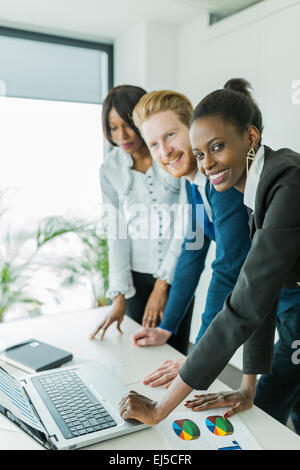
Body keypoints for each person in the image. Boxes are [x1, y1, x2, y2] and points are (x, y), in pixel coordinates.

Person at [119, 78, 300, 431]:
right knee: (273, 400)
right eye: (201, 153)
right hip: (287, 300)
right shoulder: (253, 190)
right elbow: (257, 291)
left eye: (217, 147)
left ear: (249, 138)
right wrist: (246, 386)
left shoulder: (284, 184)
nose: (206, 163)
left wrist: (160, 408)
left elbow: (242, 296)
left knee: (269, 406)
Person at [129, 90, 250, 389]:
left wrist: (199, 355)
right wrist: (167, 327)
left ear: (193, 130)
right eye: (154, 144)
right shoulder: (195, 186)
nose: (164, 152)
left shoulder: (222, 182)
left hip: (291, 297)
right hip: (272, 299)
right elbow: (192, 252)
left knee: (276, 395)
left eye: (170, 135)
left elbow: (227, 270)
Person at [90, 85, 193, 354]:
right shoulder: (109, 169)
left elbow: (186, 220)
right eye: (113, 128)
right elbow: (116, 231)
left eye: (127, 125)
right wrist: (119, 295)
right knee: (140, 351)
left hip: (177, 273)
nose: (121, 135)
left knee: (173, 352)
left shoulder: (171, 155)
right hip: (135, 277)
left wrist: (163, 285)